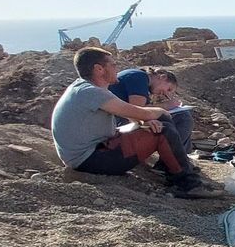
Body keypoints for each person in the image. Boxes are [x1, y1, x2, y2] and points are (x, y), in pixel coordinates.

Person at [50, 47, 214, 197]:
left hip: (91, 149)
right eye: (113, 65)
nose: (117, 69)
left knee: (158, 123)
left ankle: (177, 171)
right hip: (89, 159)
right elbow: (140, 111)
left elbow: (133, 114)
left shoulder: (82, 87)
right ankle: (187, 184)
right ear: (99, 69)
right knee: (163, 126)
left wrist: (145, 121)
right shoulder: (93, 92)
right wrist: (157, 114)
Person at [108, 66, 193, 158]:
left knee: (181, 117)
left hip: (117, 120)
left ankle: (181, 157)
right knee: (183, 117)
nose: (165, 94)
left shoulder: (139, 78)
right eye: (169, 89)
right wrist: (166, 106)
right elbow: (138, 110)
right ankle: (171, 162)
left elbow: (142, 109)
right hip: (116, 123)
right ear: (162, 77)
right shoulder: (139, 77)